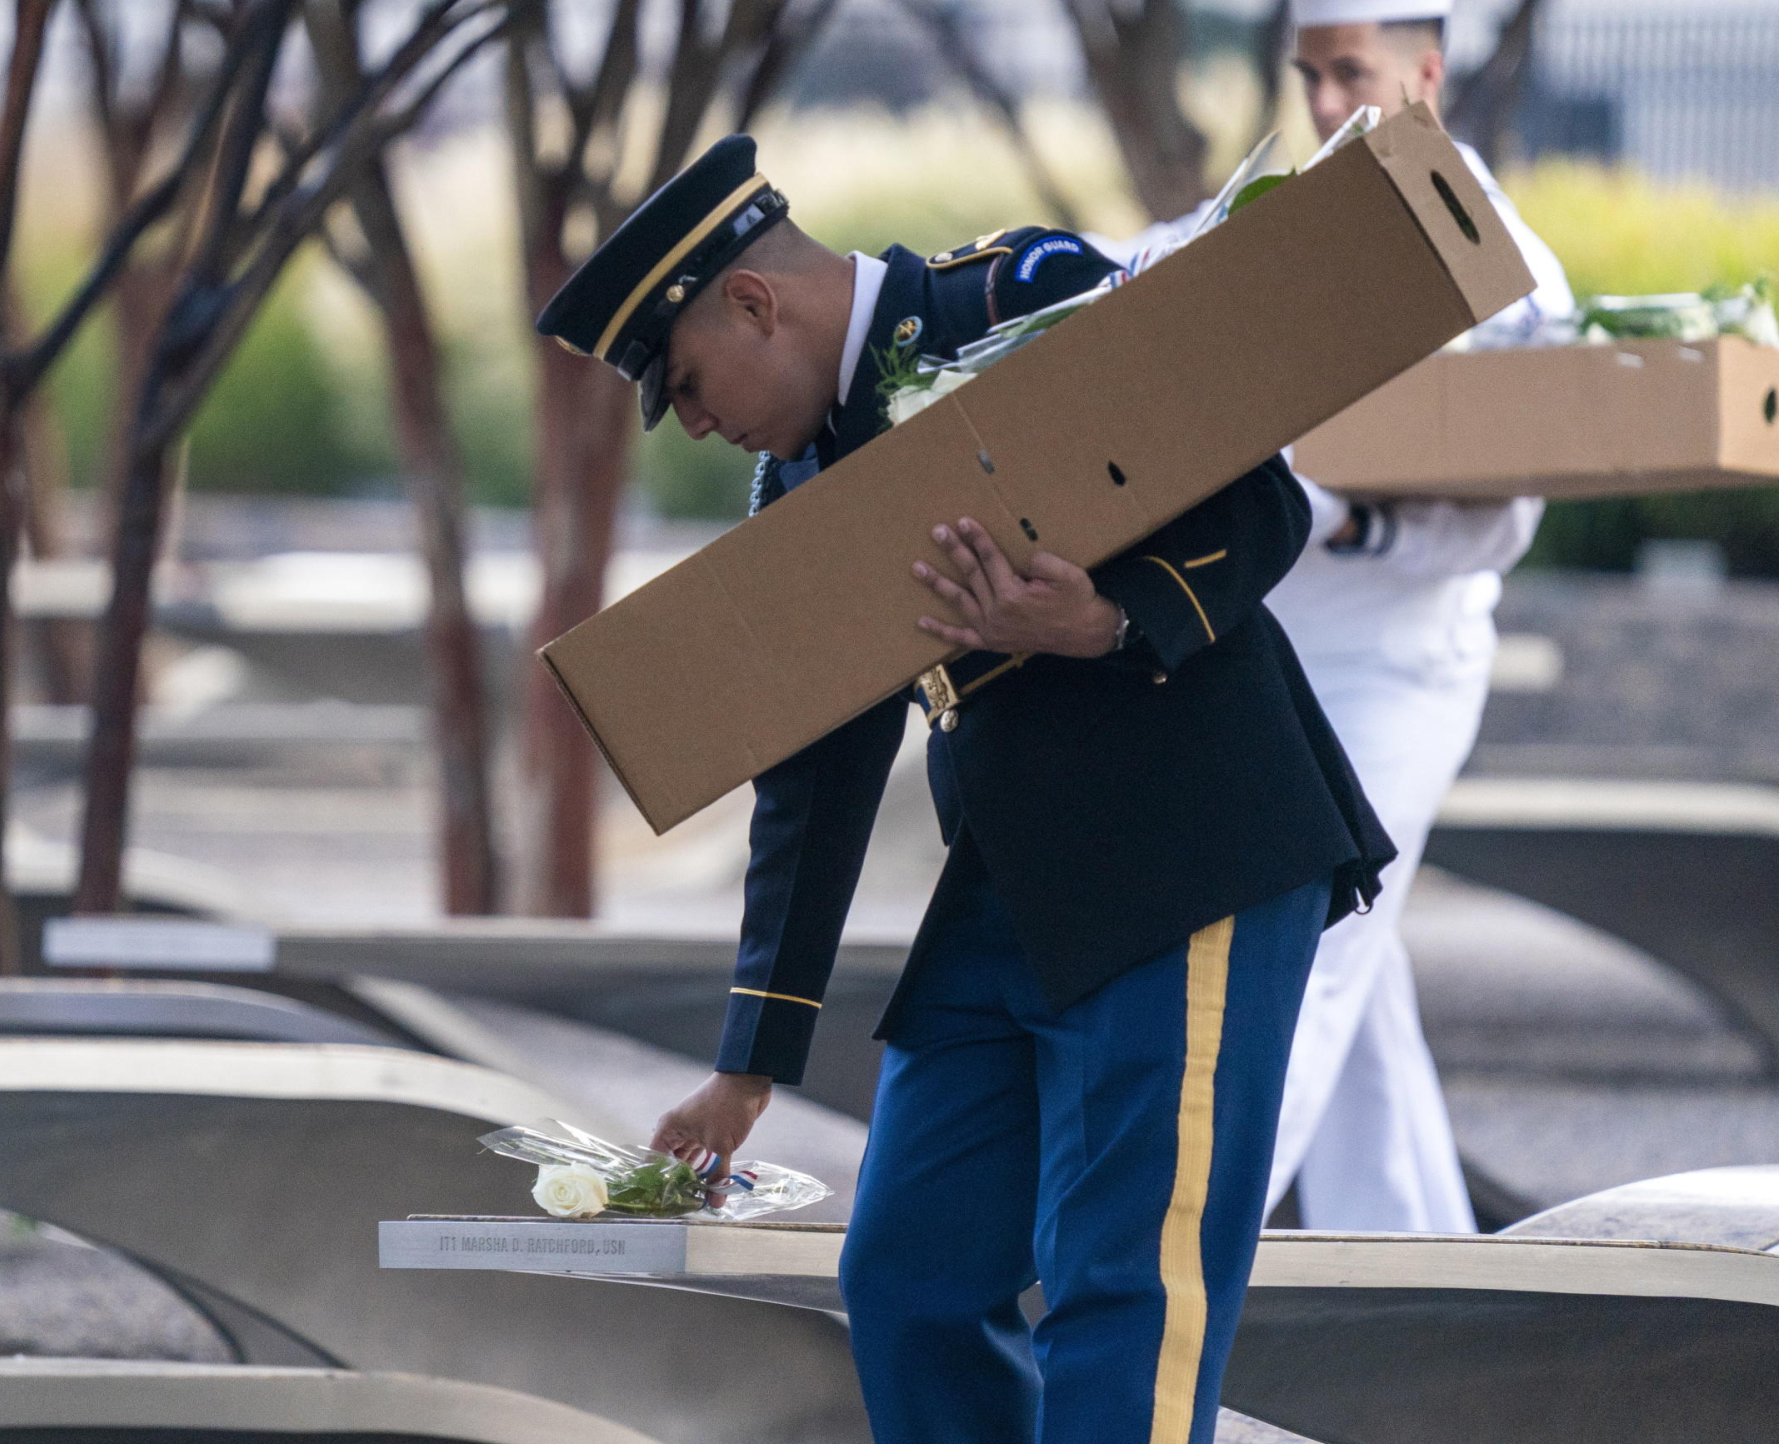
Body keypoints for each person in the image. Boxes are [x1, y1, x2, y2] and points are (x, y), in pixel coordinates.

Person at [534, 135, 1393, 1444]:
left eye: (692, 383)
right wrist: (748, 1069)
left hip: (1185, 846)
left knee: (1124, 1288)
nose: (697, 422)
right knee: (908, 1279)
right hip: (1012, 889)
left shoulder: (1024, 296)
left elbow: (1265, 501)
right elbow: (814, 769)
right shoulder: (800, 480)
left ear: (756, 303)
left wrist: (1103, 619)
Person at [1104, 0, 1577, 1235]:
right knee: (1357, 997)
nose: (1322, 102)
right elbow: (1126, 275)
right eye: (1310, 74)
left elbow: (1502, 519)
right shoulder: (1262, 226)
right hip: (1268, 661)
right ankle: (1429, 1288)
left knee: (1297, 959)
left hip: (1397, 669)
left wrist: (1352, 515)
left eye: (1350, 73)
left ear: (1425, 77)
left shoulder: (1506, 270)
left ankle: (1164, 1270)